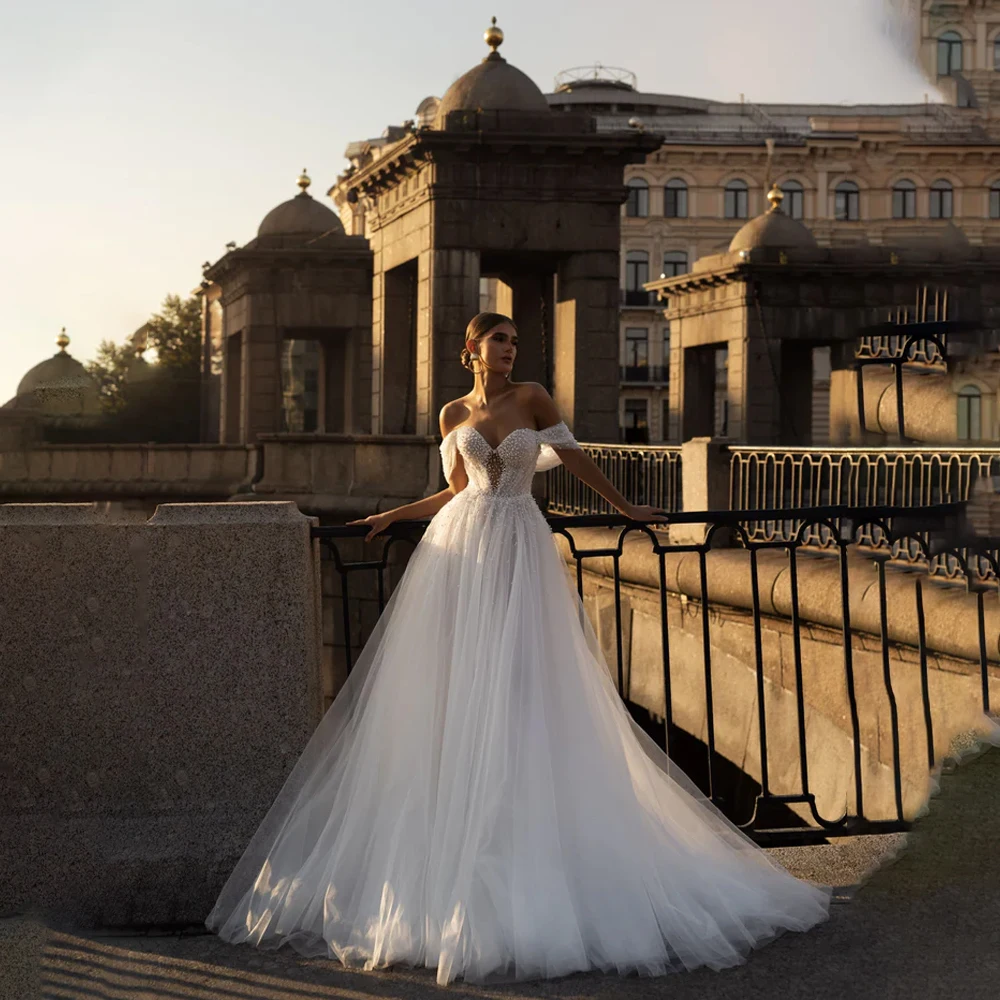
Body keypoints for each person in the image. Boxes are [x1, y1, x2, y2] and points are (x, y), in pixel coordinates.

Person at [205, 311, 831, 985]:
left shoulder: (532, 396)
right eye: (497, 340)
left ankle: (530, 838)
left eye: (513, 340)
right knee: (456, 687)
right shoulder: (451, 413)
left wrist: (624, 508)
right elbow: (452, 491)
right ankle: (460, 850)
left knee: (527, 681)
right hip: (461, 549)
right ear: (471, 349)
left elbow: (578, 458)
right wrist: (393, 515)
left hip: (520, 544)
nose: (508, 349)